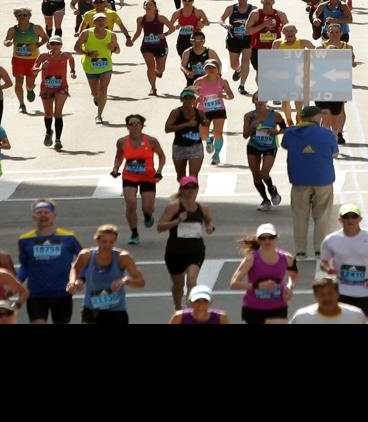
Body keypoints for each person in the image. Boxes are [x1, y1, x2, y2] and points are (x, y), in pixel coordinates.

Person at [319, 203, 368, 321]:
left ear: (360, 219)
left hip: (365, 291)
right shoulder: (331, 240)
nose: (350, 219)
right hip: (341, 291)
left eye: (353, 216)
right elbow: (323, 262)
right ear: (340, 219)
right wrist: (328, 269)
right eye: (346, 217)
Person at [282, 111, 338, 258]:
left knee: (300, 216)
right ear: (316, 118)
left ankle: (300, 249)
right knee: (322, 216)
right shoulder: (327, 134)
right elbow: (334, 153)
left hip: (299, 178)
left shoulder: (290, 133)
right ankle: (320, 249)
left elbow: (285, 145)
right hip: (323, 179)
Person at [18, 201, 84, 324]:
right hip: (36, 294)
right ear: (34, 217)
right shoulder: (25, 240)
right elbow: (24, 266)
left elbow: (85, 260)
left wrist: (80, 279)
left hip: (62, 293)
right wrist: (15, 283)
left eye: (46, 212)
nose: (43, 215)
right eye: (39, 213)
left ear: (54, 215)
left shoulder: (69, 237)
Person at [157, 176, 217, 310]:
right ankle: (178, 308)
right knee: (178, 285)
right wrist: (177, 221)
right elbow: (160, 227)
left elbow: (209, 221)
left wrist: (209, 227)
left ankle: (191, 311)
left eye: (193, 188)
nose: (190, 191)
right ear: (181, 190)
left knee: (191, 282)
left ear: (197, 190)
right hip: (175, 252)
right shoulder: (173, 207)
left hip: (196, 251)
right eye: (186, 188)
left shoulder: (204, 208)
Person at [68, 224, 146, 324]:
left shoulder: (123, 257)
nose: (107, 246)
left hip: (116, 311)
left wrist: (125, 281)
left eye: (111, 242)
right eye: (104, 242)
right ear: (97, 240)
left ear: (115, 242)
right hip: (91, 309)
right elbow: (75, 268)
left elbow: (141, 282)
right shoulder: (86, 255)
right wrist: (73, 282)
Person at [111, 114, 167, 244]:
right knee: (130, 204)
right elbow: (119, 156)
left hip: (148, 176)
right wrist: (115, 168)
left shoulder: (151, 141)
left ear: (142, 126)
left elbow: (161, 156)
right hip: (129, 176)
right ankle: (134, 233)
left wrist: (159, 171)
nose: (134, 126)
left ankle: (148, 216)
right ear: (127, 127)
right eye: (131, 124)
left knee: (147, 208)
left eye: (137, 123)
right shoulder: (122, 142)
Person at [231, 223, 298, 323]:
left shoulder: (287, 258)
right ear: (258, 240)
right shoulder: (251, 259)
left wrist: (289, 286)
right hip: (254, 308)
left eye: (271, 237)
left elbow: (293, 274)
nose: (267, 240)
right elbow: (234, 284)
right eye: (263, 238)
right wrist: (258, 285)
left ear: (277, 238)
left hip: (278, 306)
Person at [244, 98, 285, 210]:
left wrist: (276, 132)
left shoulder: (276, 115)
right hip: (254, 146)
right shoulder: (249, 116)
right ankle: (265, 201)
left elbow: (285, 129)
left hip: (269, 147)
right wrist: (252, 127)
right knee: (256, 177)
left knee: (264, 173)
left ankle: (272, 189)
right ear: (253, 101)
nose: (260, 101)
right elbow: (245, 135)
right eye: (257, 99)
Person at [165, 88, 209, 180]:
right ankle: (183, 193)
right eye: (185, 98)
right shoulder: (176, 112)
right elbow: (167, 128)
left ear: (194, 99)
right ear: (181, 100)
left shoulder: (199, 112)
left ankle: (191, 194)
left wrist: (205, 121)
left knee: (193, 178)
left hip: (196, 147)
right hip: (179, 147)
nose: (188, 100)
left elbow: (206, 122)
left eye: (191, 98)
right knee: (181, 178)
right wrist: (186, 124)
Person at [291, 276, 368, 324]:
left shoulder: (356, 315)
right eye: (322, 294)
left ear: (338, 293)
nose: (327, 298)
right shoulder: (301, 317)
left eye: (330, 293)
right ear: (315, 295)